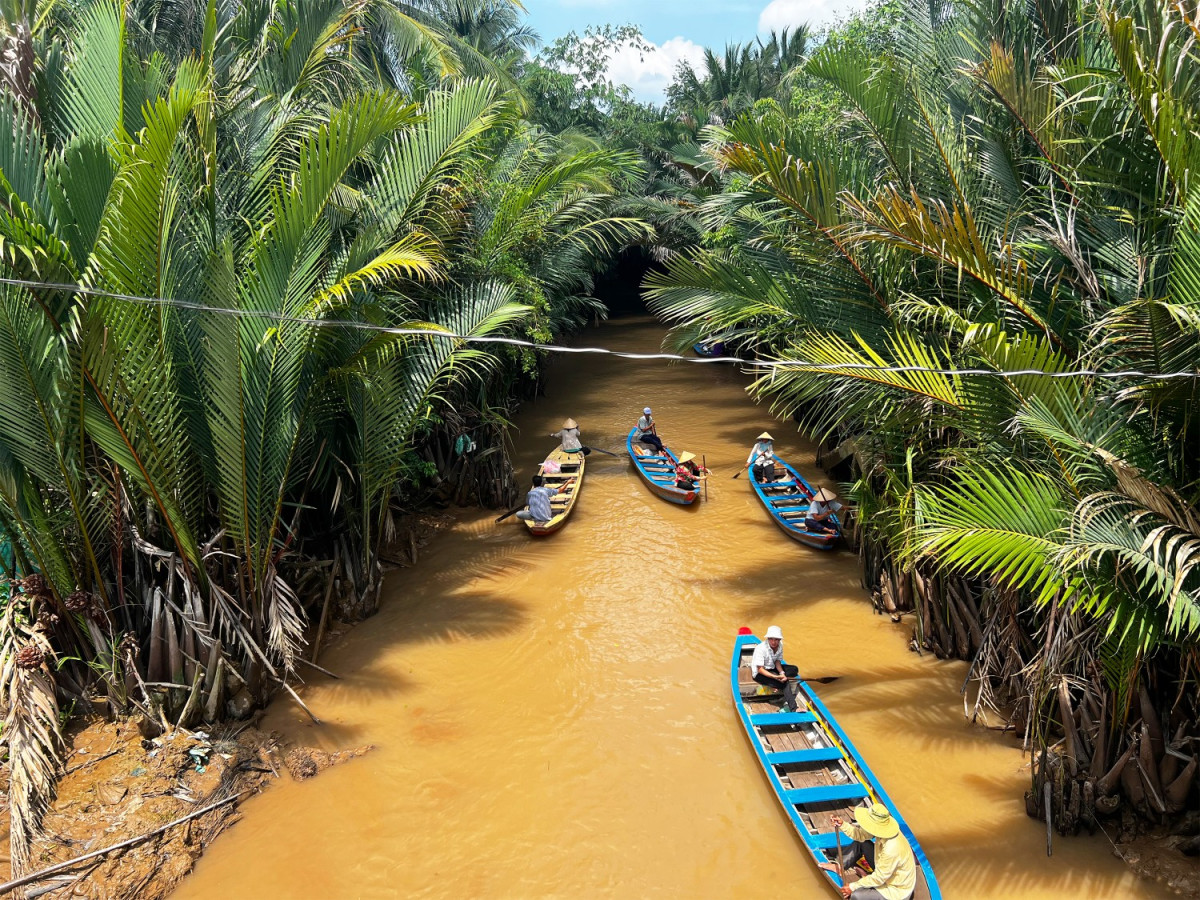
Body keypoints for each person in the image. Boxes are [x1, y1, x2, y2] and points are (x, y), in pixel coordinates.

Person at [817, 804, 917, 900]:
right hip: (885, 870)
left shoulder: (891, 849)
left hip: (895, 890)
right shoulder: (883, 831)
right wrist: (843, 824)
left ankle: (867, 880)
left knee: (856, 896)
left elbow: (879, 878)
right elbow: (860, 835)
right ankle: (839, 867)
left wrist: (853, 886)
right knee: (862, 843)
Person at [750, 625, 801, 712]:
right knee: (785, 683)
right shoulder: (761, 649)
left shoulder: (780, 646)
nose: (773, 642)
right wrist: (776, 677)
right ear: (768, 638)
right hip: (760, 673)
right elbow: (760, 669)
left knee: (794, 670)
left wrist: (781, 673)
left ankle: (774, 684)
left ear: (779, 640)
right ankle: (794, 708)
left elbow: (777, 661)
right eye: (771, 639)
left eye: (776, 639)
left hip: (772, 667)